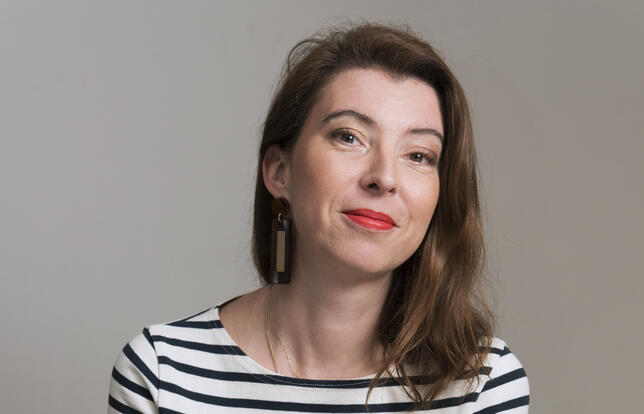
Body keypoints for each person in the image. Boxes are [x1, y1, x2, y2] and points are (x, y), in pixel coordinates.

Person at [108, 22, 530, 413]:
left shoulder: (483, 384)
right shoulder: (162, 374)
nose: (384, 177)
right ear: (279, 171)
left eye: (419, 155)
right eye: (349, 137)